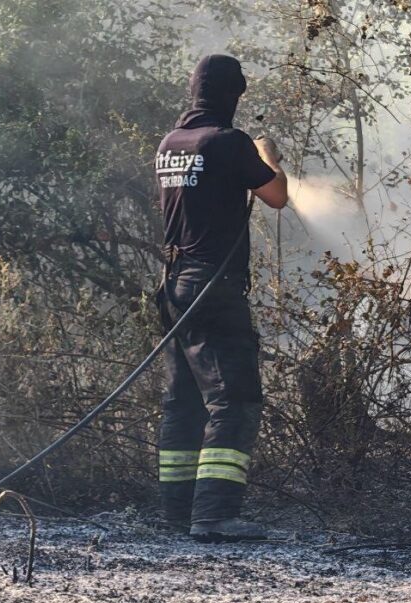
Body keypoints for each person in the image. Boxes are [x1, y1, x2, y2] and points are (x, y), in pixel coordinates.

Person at [153, 54, 288, 541]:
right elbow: (276, 196)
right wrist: (267, 153)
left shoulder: (171, 143)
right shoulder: (228, 143)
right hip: (214, 287)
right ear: (232, 95)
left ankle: (176, 512)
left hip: (173, 287)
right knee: (235, 398)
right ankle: (214, 515)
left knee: (184, 403)